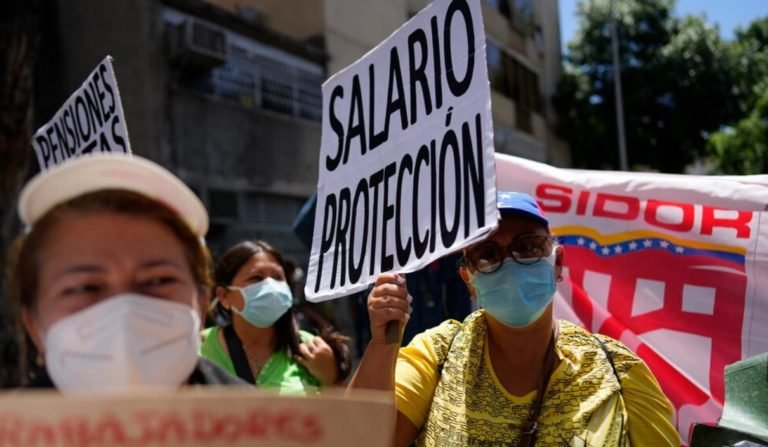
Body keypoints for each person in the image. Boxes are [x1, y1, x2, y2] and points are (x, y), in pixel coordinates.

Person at [348, 191, 680, 446]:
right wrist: (383, 343)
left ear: (558, 262)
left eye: (528, 247)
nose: (510, 264)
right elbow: (358, 439)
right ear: (469, 279)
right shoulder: (438, 354)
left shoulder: (618, 373)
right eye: (488, 254)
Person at [8, 153, 245, 392]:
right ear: (33, 325)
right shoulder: (8, 428)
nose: (125, 311)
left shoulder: (273, 424)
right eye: (84, 287)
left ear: (202, 305)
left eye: (159, 280)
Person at [201, 240, 344, 393]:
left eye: (277, 277)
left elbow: (342, 412)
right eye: (256, 278)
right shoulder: (198, 347)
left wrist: (330, 378)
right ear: (224, 296)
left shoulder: (311, 349)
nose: (271, 286)